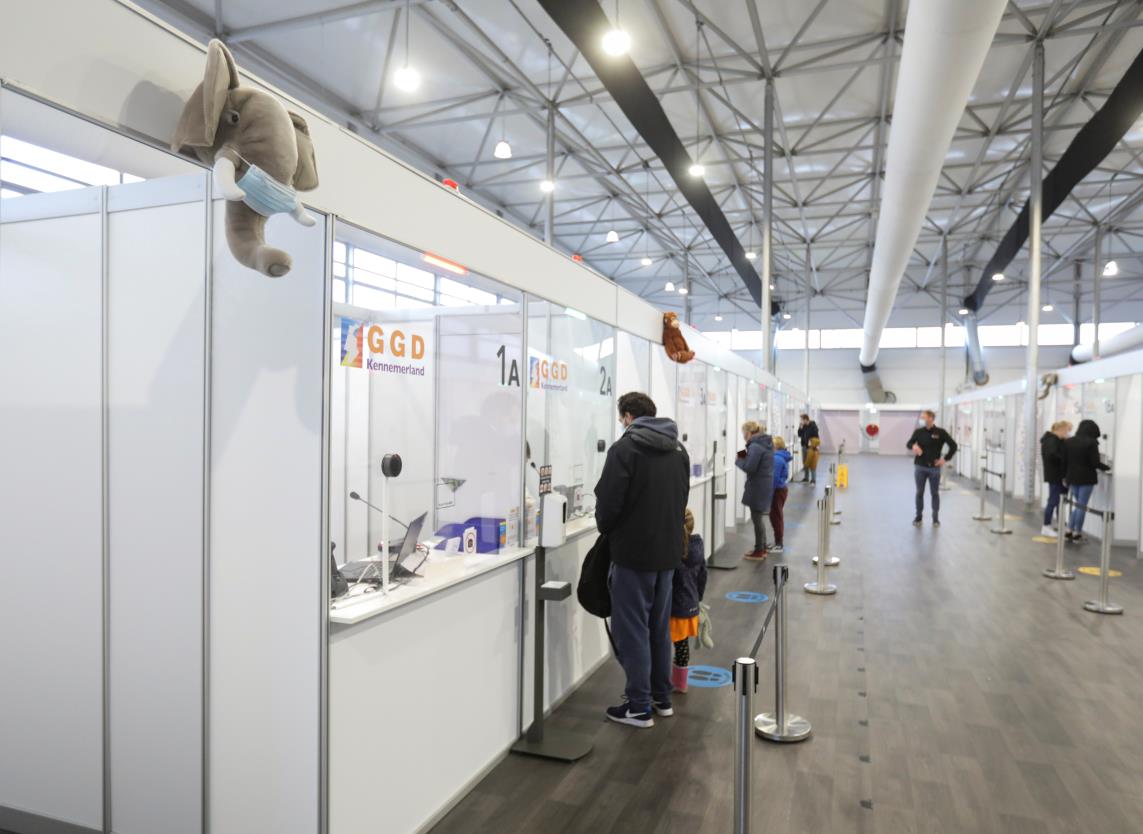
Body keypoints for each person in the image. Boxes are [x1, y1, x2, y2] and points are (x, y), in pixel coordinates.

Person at [595, 391, 690, 728]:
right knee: (657, 628)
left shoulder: (624, 449)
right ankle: (661, 698)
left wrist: (606, 528)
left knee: (631, 629)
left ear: (627, 417)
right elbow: (682, 500)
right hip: (667, 555)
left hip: (633, 555)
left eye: (621, 417)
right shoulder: (678, 450)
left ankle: (638, 706)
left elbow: (607, 505)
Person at [670, 508, 707, 694]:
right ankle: (680, 684)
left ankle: (660, 683)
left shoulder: (672, 550)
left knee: (660, 646)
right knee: (682, 648)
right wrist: (698, 599)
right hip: (690, 606)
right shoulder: (698, 547)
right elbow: (703, 577)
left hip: (672, 609)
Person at [906, 409, 957, 527]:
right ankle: (918, 517)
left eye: (924, 417)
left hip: (934, 469)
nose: (922, 419)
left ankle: (935, 519)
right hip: (920, 467)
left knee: (934, 493)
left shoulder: (941, 432)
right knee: (919, 492)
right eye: (922, 417)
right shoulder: (918, 432)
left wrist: (945, 459)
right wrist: (914, 446)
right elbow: (908, 443)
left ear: (931, 418)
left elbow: (953, 446)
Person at [1064, 419, 1110, 543]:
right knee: (1081, 506)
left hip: (1072, 478)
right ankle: (1077, 533)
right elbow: (1095, 463)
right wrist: (1107, 468)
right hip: (1086, 479)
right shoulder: (1091, 443)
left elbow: (1065, 461)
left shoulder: (1069, 442)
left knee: (1078, 505)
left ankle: (1069, 530)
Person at [735, 420, 774, 560]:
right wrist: (744, 455)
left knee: (756, 518)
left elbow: (750, 467)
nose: (743, 437)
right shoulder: (764, 443)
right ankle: (762, 548)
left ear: (748, 433)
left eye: (743, 434)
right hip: (764, 484)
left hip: (758, 485)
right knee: (758, 518)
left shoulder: (756, 446)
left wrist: (738, 459)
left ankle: (759, 551)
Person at [1040, 421, 1071, 536]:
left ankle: (1060, 524)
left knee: (1060, 502)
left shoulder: (1057, 441)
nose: (1068, 433)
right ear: (1061, 429)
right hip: (1055, 475)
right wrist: (1065, 459)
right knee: (1053, 501)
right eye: (1067, 430)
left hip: (1059, 475)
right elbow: (1052, 456)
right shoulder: (1051, 441)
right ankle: (1046, 525)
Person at [769, 436, 792, 554]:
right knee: (776, 516)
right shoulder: (781, 457)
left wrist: (769, 494)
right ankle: (777, 542)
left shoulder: (777, 459)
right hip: (780, 489)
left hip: (777, 490)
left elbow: (774, 478)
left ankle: (779, 544)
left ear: (776, 446)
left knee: (776, 517)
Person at [796, 414, 819, 481]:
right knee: (805, 463)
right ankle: (806, 478)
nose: (801, 421)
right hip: (804, 447)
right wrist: (800, 427)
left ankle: (813, 479)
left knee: (812, 463)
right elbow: (799, 434)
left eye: (801, 420)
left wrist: (812, 443)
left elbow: (816, 436)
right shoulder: (803, 426)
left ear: (805, 419)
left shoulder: (813, 426)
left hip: (811, 448)